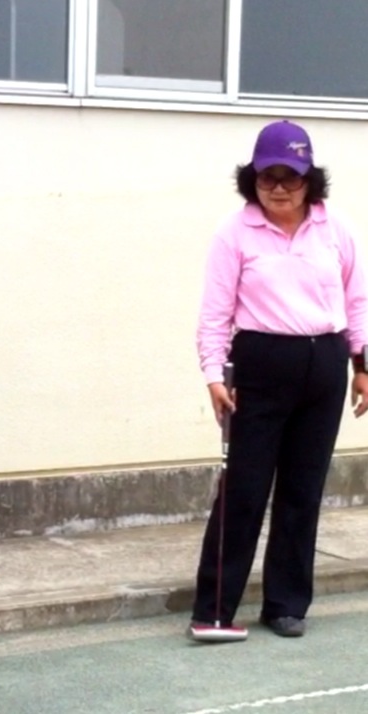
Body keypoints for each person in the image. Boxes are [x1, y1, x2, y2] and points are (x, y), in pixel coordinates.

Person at [190, 119, 368, 639]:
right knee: (243, 490)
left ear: (310, 179)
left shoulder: (335, 229)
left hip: (324, 363)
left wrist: (362, 366)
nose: (279, 188)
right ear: (253, 179)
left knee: (302, 490)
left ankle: (286, 605)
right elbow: (214, 313)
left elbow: (357, 301)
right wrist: (213, 374)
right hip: (259, 365)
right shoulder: (234, 232)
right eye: (268, 177)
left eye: (291, 177)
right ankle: (214, 610)